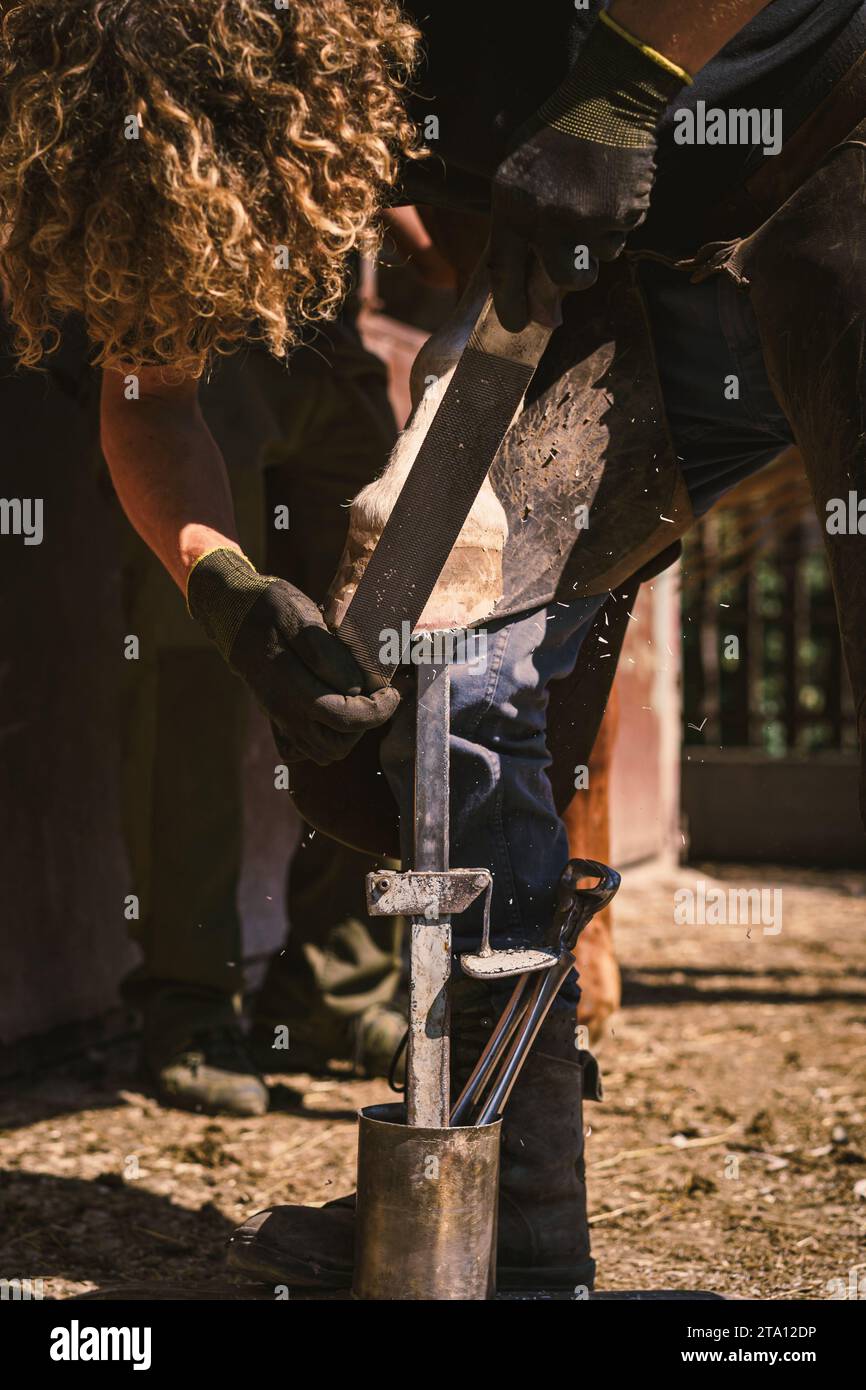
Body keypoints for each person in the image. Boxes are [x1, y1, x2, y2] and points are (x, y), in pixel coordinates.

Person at [0, 0, 863, 1291]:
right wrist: (227, 590)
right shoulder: (158, 126)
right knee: (444, 671)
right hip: (631, 251)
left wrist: (626, 82)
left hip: (835, 128)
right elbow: (148, 391)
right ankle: (506, 1227)